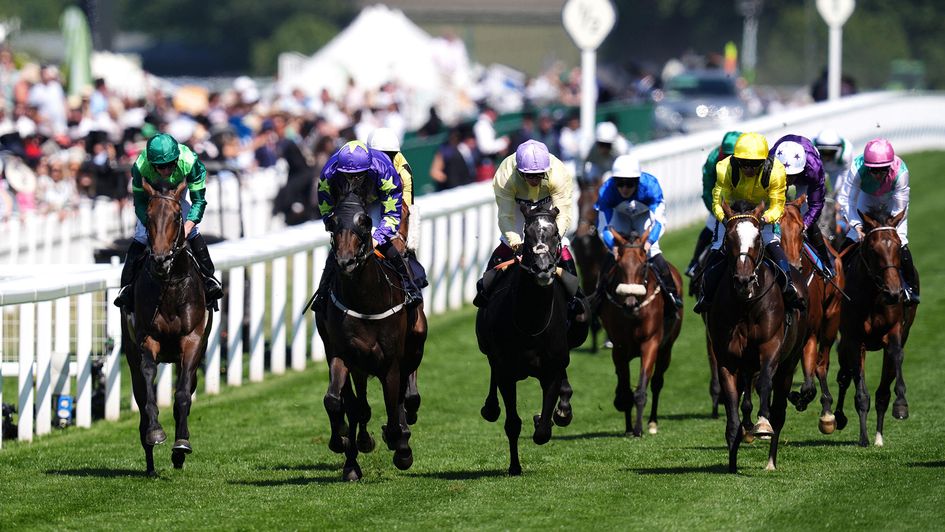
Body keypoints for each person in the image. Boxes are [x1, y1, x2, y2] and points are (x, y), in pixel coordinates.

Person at [473, 139, 585, 323]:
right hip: (518, 209)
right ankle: (485, 292)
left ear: (546, 171)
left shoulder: (558, 173)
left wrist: (554, 240)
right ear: (519, 171)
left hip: (549, 208)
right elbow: (506, 216)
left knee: (562, 248)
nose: (534, 179)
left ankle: (575, 298)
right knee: (505, 246)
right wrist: (516, 245)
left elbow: (563, 214)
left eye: (539, 175)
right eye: (529, 175)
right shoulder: (506, 174)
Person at [693, 132, 805, 313]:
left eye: (754, 164)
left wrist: (762, 219)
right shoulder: (724, 168)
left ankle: (789, 287)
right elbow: (718, 201)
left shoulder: (776, 172)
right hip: (733, 214)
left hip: (763, 215)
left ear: (764, 161)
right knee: (716, 249)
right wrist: (727, 220)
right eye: (744, 163)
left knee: (772, 244)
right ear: (736, 160)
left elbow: (777, 206)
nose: (748, 168)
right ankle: (706, 294)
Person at [114, 133, 223, 310]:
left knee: (194, 232)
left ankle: (210, 281)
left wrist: (188, 226)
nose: (166, 171)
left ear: (177, 159)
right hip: (153, 196)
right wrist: (150, 224)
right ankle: (126, 288)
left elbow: (199, 201)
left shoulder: (190, 162)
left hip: (178, 195)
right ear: (152, 164)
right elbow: (140, 203)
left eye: (170, 165)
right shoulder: (140, 166)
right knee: (141, 236)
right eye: (160, 167)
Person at [311, 140, 422, 314]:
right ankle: (323, 293)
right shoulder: (329, 173)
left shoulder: (385, 171)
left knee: (388, 246)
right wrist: (333, 226)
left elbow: (392, 212)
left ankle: (410, 289)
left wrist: (379, 238)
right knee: (340, 249)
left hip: (377, 199)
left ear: (368, 168)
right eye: (348, 175)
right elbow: (325, 205)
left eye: (358, 174)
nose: (353, 179)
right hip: (347, 203)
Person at [835, 138, 918, 304]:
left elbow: (899, 208)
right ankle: (836, 289)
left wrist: (889, 229)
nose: (879, 175)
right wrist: (857, 225)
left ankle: (911, 290)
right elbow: (846, 200)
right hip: (865, 199)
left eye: (883, 170)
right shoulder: (857, 168)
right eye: (874, 170)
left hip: (892, 202)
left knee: (900, 242)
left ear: (890, 165)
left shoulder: (901, 173)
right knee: (851, 239)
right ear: (867, 167)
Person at [593, 155, 682, 308]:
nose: (624, 189)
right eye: (619, 184)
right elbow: (603, 226)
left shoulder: (651, 187)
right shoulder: (606, 191)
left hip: (644, 217)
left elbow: (659, 221)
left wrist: (649, 242)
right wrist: (612, 245)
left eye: (629, 184)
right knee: (610, 256)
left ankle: (672, 293)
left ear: (637, 181)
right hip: (620, 217)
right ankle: (599, 297)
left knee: (653, 251)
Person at [368, 127, 428, 288]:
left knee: (400, 254)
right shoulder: (361, 164)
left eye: (390, 154)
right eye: (381, 154)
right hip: (367, 208)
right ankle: (324, 293)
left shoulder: (404, 171)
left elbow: (404, 209)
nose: (386, 158)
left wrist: (395, 237)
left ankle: (410, 290)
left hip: (392, 211)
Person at [770, 135, 834, 277]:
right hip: (776, 178)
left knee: (800, 221)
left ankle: (827, 264)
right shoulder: (769, 165)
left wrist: (803, 224)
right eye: (786, 175)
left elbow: (816, 205)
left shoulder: (814, 168)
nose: (788, 180)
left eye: (792, 176)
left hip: (805, 179)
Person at [686, 130, 741, 277]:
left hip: (748, 200)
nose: (728, 161)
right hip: (723, 200)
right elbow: (707, 191)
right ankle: (694, 263)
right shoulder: (713, 160)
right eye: (726, 156)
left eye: (733, 157)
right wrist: (719, 213)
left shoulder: (751, 155)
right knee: (710, 227)